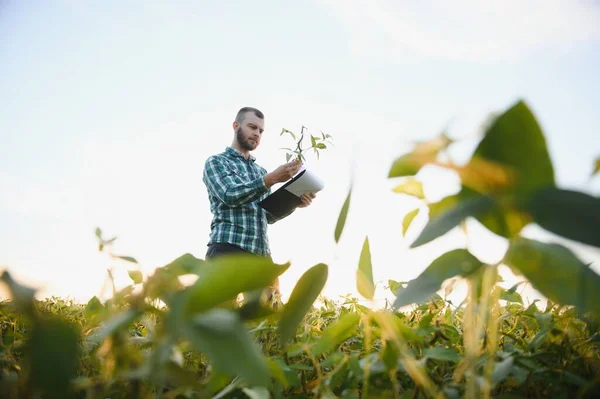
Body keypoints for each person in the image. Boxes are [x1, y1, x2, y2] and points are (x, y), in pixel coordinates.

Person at [202, 106, 316, 300]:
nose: (256, 134)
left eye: (261, 131)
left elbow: (267, 215)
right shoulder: (216, 162)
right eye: (252, 127)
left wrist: (295, 203)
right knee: (220, 316)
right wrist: (271, 179)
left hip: (261, 256)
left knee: (268, 322)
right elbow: (229, 194)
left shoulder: (260, 172)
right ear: (236, 126)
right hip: (228, 249)